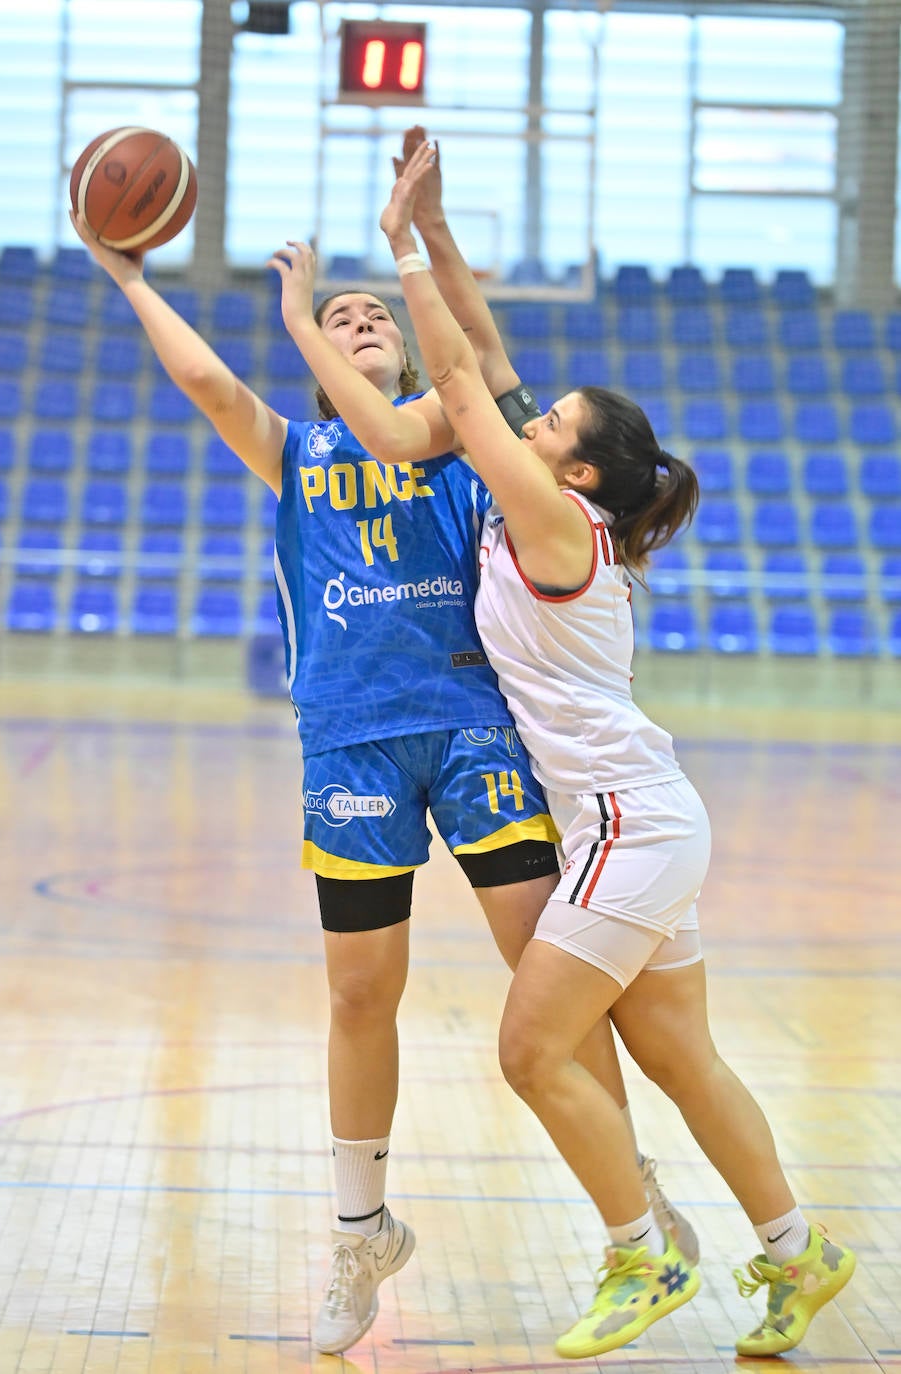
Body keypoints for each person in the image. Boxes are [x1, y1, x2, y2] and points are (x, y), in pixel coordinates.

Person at [69, 126, 694, 1358]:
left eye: (373, 316)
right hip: (349, 744)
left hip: (474, 733)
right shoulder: (296, 450)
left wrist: (414, 244)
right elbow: (207, 386)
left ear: (404, 353)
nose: (358, 319)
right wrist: (131, 274)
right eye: (338, 316)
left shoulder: (467, 446)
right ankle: (361, 1230)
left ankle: (640, 1206)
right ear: (317, 368)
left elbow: (467, 350)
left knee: (546, 992)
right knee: (361, 993)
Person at [292, 137, 857, 1363]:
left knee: (530, 1049)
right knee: (677, 1057)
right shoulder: (546, 496)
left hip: (622, 827)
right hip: (646, 817)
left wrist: (398, 249)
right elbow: (482, 359)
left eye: (543, 422)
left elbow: (450, 369)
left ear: (578, 468)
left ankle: (635, 1255)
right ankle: (797, 1249)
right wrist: (435, 232)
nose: (523, 415)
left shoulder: (549, 516)